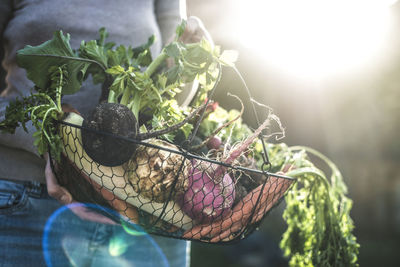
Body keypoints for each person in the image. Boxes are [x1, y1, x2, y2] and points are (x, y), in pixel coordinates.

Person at [0, 1, 210, 266]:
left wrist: (190, 57)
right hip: (28, 202)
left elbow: (169, 93)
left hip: (138, 204)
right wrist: (49, 138)